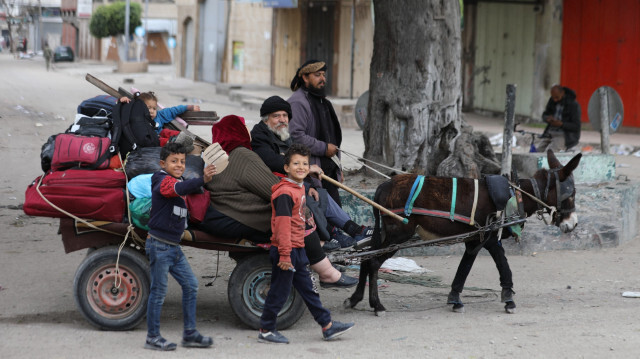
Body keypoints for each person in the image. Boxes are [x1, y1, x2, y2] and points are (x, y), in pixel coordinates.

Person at [200, 115, 357, 288]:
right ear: (238, 131)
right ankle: (327, 272)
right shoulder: (242, 156)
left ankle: (320, 257)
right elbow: (274, 189)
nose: (248, 131)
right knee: (295, 215)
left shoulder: (220, 157)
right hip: (233, 215)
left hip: (222, 214)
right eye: (244, 127)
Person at [258, 144, 355, 344]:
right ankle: (266, 330)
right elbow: (282, 226)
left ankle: (327, 325)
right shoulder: (285, 192)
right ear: (286, 168)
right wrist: (285, 256)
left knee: (308, 290)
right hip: (287, 250)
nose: (301, 167)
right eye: (296, 164)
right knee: (279, 291)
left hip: (297, 247)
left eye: (304, 163)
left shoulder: (299, 186)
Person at [251, 95, 373, 249]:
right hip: (275, 187)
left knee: (321, 195)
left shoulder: (285, 135)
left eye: (285, 115)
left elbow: (298, 162)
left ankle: (354, 230)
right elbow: (273, 161)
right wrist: (307, 171)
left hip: (292, 182)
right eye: (276, 116)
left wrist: (311, 186)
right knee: (306, 200)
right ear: (266, 119)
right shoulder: (259, 136)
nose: (282, 120)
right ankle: (331, 236)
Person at [144, 143, 216, 351]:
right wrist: (202, 179)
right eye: (174, 161)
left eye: (183, 161)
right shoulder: (161, 180)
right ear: (162, 164)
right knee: (158, 292)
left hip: (173, 248)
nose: (179, 165)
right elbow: (175, 189)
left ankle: (190, 333)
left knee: (191, 285)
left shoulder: (180, 180)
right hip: (159, 246)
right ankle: (152, 337)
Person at [288, 60, 344, 207]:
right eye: (317, 75)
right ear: (305, 78)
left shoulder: (322, 101)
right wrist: (324, 148)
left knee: (336, 216)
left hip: (328, 172)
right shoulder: (298, 102)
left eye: (324, 75)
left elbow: (331, 136)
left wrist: (339, 167)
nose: (323, 79)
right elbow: (296, 137)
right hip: (312, 173)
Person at [119, 92, 198, 151]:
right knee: (160, 139)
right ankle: (174, 144)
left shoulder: (159, 116)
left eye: (154, 108)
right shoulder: (137, 118)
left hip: (160, 135)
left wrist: (189, 107)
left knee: (165, 131)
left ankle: (184, 138)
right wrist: (122, 100)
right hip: (153, 141)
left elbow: (173, 110)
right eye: (148, 108)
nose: (152, 111)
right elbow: (124, 111)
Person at [535, 85, 581, 152]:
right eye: (553, 98)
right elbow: (545, 114)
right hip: (551, 132)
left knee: (549, 153)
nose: (555, 100)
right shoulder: (552, 101)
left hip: (565, 135)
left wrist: (562, 124)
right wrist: (547, 118)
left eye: (557, 97)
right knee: (538, 151)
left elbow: (576, 126)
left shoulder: (573, 105)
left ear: (562, 93)